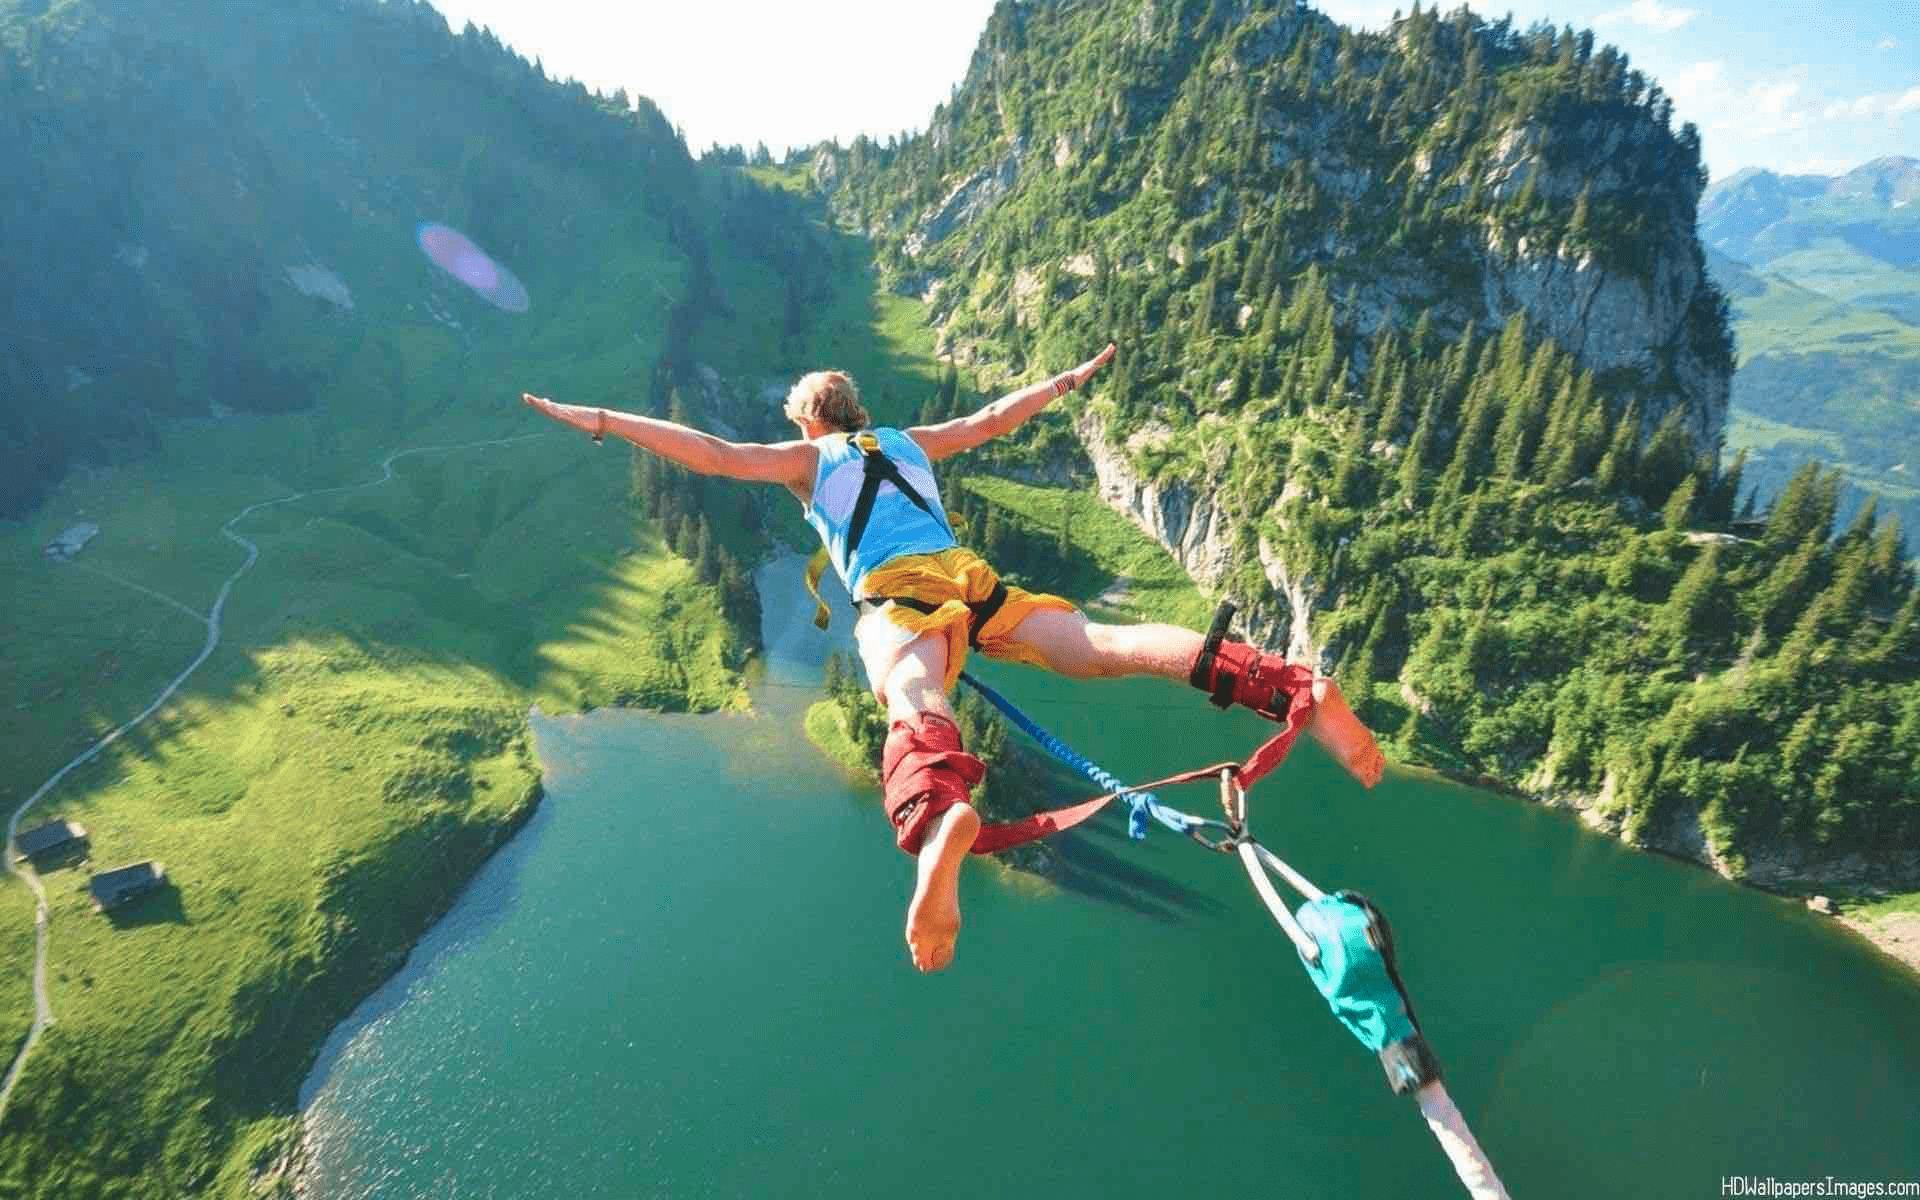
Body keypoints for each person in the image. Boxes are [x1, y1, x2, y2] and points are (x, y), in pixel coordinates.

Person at [522, 345, 1384, 973]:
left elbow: (709, 454)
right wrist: (1064, 381)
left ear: (809, 420)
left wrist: (598, 420)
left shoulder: (805, 458)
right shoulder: (905, 442)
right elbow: (991, 420)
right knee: (1102, 646)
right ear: (859, 409)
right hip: (971, 581)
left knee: (911, 686)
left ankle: (942, 815)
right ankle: (1291, 686)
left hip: (900, 595)